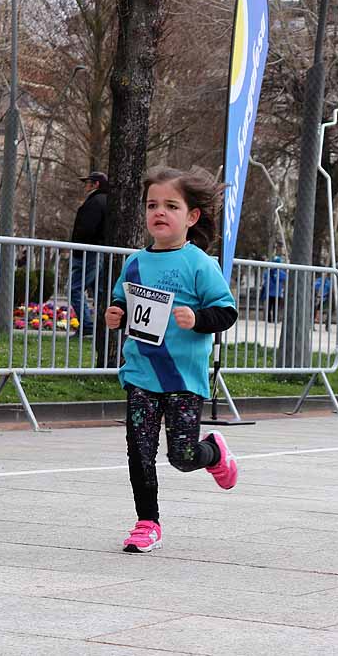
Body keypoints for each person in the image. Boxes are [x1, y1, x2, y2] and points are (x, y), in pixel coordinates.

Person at [104, 166, 239, 553]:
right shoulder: (135, 263)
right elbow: (123, 301)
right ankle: (147, 522)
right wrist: (116, 314)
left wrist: (198, 319)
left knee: (181, 456)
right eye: (152, 205)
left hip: (183, 376)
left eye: (170, 205)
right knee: (140, 448)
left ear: (191, 216)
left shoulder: (199, 264)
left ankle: (213, 450)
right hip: (141, 372)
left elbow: (226, 312)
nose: (159, 212)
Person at [70, 171, 109, 333]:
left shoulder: (95, 202)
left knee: (75, 289)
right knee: (99, 291)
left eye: (87, 182)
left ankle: (87, 325)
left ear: (96, 184)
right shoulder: (105, 201)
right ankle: (102, 327)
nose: (85, 185)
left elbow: (86, 229)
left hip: (88, 252)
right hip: (97, 252)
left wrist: (79, 250)